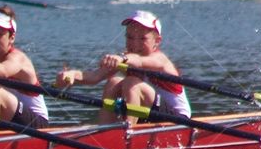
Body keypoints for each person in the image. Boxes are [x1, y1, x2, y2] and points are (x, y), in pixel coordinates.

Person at [55, 10, 191, 126]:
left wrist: (122, 59)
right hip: (151, 115)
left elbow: (139, 62)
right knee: (113, 82)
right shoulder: (126, 58)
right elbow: (93, 77)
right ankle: (105, 133)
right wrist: (72, 75)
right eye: (130, 37)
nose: (135, 44)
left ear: (157, 41)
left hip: (177, 120)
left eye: (143, 39)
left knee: (131, 82)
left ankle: (127, 134)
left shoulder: (160, 60)